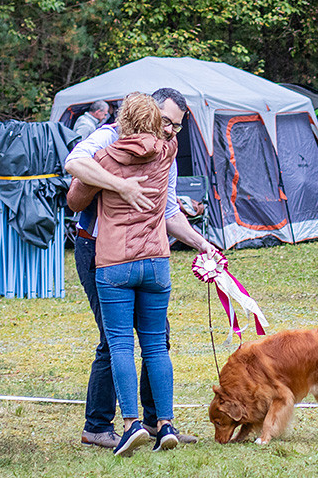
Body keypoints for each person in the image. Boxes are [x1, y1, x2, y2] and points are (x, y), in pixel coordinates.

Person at [65, 88, 215, 451]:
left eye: (177, 127)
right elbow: (74, 171)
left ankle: (151, 423)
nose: (169, 132)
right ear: (148, 113)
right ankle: (98, 425)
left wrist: (200, 242)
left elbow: (168, 212)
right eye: (165, 122)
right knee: (113, 340)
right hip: (97, 247)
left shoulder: (165, 151)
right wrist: (122, 186)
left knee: (150, 338)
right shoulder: (107, 138)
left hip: (123, 259)